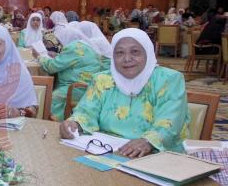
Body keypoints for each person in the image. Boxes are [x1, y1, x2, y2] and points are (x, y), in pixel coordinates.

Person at [60, 28, 189, 157]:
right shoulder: (102, 79)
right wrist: (74, 123)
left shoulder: (168, 80)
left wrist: (147, 141)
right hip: (106, 152)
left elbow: (170, 122)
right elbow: (86, 111)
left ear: (148, 53)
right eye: (119, 53)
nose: (127, 58)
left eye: (135, 52)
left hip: (155, 156)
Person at [33, 26, 109, 120]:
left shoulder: (73, 47)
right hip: (88, 86)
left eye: (60, 41)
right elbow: (75, 60)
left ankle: (51, 122)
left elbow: (51, 67)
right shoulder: (85, 46)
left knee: (47, 98)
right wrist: (57, 55)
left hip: (77, 88)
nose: (60, 44)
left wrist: (39, 57)